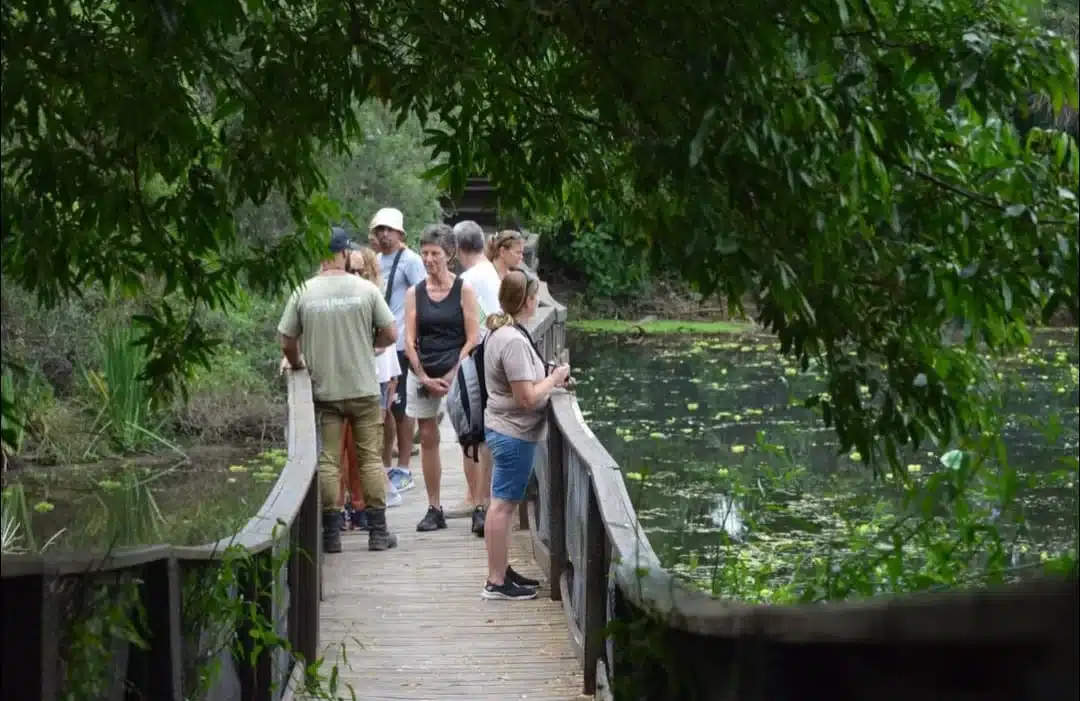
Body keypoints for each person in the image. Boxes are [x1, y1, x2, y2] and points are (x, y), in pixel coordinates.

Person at [278, 227, 399, 554]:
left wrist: (297, 362)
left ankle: (330, 536)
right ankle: (377, 533)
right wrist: (369, 346)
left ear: (319, 254)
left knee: (329, 460)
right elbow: (391, 333)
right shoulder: (365, 289)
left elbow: (287, 340)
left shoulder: (303, 291)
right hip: (362, 389)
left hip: (325, 390)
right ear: (345, 253)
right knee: (370, 459)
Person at [481, 269, 570, 600]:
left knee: (501, 503)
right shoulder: (512, 340)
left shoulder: (502, 330)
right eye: (535, 297)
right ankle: (495, 581)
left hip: (505, 428)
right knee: (502, 505)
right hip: (513, 432)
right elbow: (527, 397)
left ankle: (502, 571)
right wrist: (556, 377)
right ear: (529, 301)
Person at [404, 224, 480, 532]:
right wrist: (423, 376)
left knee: (468, 438)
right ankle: (434, 508)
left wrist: (452, 374)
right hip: (424, 371)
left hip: (458, 369)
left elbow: (473, 337)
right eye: (424, 253)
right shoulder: (415, 293)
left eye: (434, 253)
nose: (428, 259)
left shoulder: (464, 289)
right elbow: (409, 341)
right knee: (427, 438)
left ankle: (478, 505)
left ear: (448, 254)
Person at [371, 208, 426, 492]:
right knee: (387, 408)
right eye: (380, 229)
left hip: (404, 345)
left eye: (389, 230)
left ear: (400, 233)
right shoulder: (377, 261)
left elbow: (423, 298)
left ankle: (405, 467)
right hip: (382, 348)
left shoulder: (411, 261)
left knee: (404, 408)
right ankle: (387, 465)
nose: (384, 234)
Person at [453, 220, 502, 536]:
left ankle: (476, 497)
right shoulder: (490, 272)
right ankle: (482, 496)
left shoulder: (467, 279)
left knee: (472, 429)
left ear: (456, 249)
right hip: (492, 352)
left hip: (477, 355)